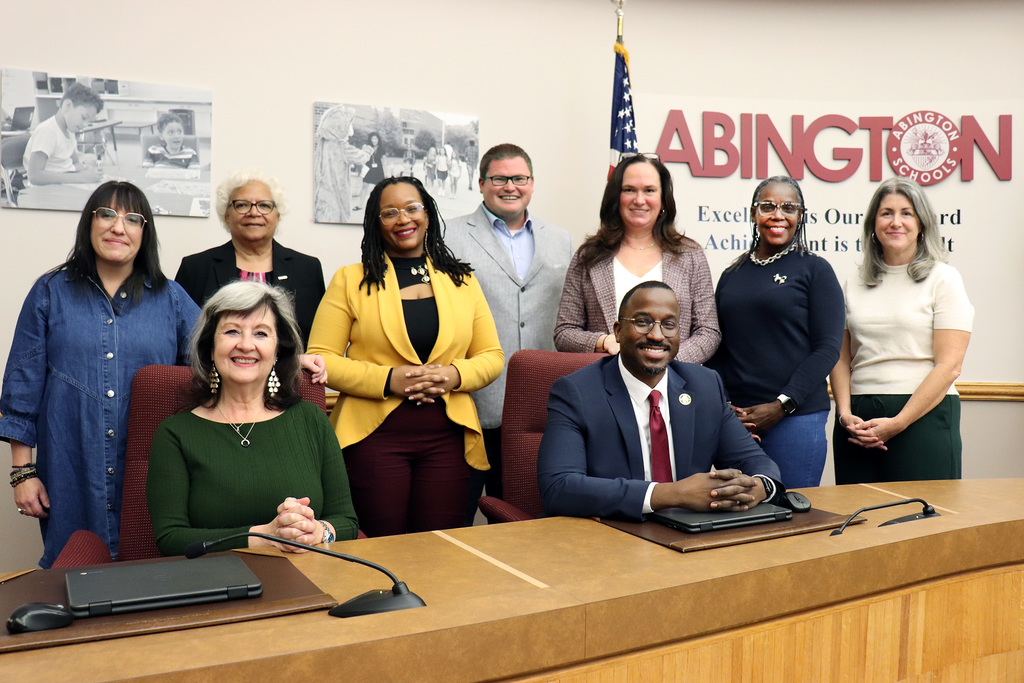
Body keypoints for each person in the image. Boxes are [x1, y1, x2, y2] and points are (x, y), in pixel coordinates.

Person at [0, 181, 199, 568]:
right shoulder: (49, 292)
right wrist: (22, 473)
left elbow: (220, 360)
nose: (117, 227)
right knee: (73, 577)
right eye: (106, 214)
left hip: (153, 470)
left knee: (154, 580)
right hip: (70, 468)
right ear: (89, 224)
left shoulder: (172, 298)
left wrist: (294, 362)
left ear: (145, 232)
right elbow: (22, 388)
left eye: (132, 219)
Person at [307, 176, 503, 537]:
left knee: (441, 549)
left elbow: (491, 356)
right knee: (379, 547)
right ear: (375, 222)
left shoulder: (462, 281)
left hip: (449, 440)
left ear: (427, 214)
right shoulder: (350, 280)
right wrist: (387, 379)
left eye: (413, 208)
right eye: (390, 212)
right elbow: (321, 358)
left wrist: (453, 376)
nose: (403, 219)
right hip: (374, 440)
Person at [538, 281, 784, 520]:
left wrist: (758, 487)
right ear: (618, 331)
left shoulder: (705, 385)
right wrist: (674, 494)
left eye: (669, 325)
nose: (657, 335)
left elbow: (755, 461)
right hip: (612, 534)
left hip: (689, 537)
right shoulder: (576, 392)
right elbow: (559, 487)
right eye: (643, 322)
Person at [147, 281, 358, 556]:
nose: (246, 345)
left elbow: (347, 523)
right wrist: (264, 536)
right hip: (217, 587)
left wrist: (318, 531)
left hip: (309, 580)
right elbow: (171, 539)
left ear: (277, 351)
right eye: (232, 331)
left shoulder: (312, 420)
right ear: (210, 347)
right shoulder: (175, 433)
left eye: (261, 333)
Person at [445, 143, 573, 522]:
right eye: (499, 178)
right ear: (482, 183)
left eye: (519, 178)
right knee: (457, 514)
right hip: (473, 396)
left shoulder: (561, 239)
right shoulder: (448, 235)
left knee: (524, 515)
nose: (509, 186)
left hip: (541, 399)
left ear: (532, 183)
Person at [830, 178, 973, 484]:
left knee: (924, 523)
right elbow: (839, 357)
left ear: (922, 224)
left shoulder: (944, 279)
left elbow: (949, 366)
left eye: (906, 213)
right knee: (858, 524)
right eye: (886, 213)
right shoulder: (852, 282)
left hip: (923, 416)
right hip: (858, 421)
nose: (896, 222)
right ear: (873, 224)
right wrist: (844, 414)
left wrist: (898, 422)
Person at [706, 177, 843, 488]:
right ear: (754, 213)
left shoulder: (816, 270)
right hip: (737, 421)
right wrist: (724, 406)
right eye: (767, 206)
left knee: (789, 520)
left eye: (789, 208)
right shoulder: (732, 275)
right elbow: (719, 347)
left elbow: (827, 349)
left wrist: (782, 405)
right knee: (738, 517)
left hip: (796, 419)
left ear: (801, 216)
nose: (778, 215)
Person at [554, 154, 720, 363]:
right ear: (616, 197)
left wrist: (666, 363)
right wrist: (604, 341)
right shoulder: (588, 256)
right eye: (629, 190)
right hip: (605, 382)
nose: (639, 200)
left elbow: (708, 331)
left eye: (649, 190)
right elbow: (564, 333)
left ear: (663, 200)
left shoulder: (690, 255)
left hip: (674, 384)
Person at [175, 169, 326, 348]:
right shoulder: (195, 268)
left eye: (264, 205)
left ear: (277, 216)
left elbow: (319, 340)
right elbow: (181, 338)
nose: (254, 212)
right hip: (213, 373)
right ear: (227, 216)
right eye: (242, 205)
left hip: (291, 373)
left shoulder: (307, 269)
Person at [23, 82, 104, 186]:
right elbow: (34, 176)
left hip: (62, 185)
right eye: (84, 117)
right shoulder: (47, 131)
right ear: (67, 105)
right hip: (46, 191)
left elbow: (74, 162)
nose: (85, 124)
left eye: (89, 121)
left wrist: (87, 169)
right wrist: (80, 177)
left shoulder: (68, 130)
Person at [313, 105, 370, 224]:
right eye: (349, 124)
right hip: (336, 194)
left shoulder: (323, 144)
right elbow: (361, 157)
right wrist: (367, 151)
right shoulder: (341, 146)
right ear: (341, 126)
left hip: (322, 191)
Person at [355, 131, 385, 211]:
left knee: (378, 188)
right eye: (372, 139)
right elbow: (362, 158)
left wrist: (387, 172)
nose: (374, 141)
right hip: (368, 169)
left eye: (376, 139)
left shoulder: (381, 148)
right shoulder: (367, 147)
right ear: (370, 139)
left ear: (378, 139)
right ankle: (360, 205)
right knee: (364, 185)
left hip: (378, 170)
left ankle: (378, 206)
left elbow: (384, 161)